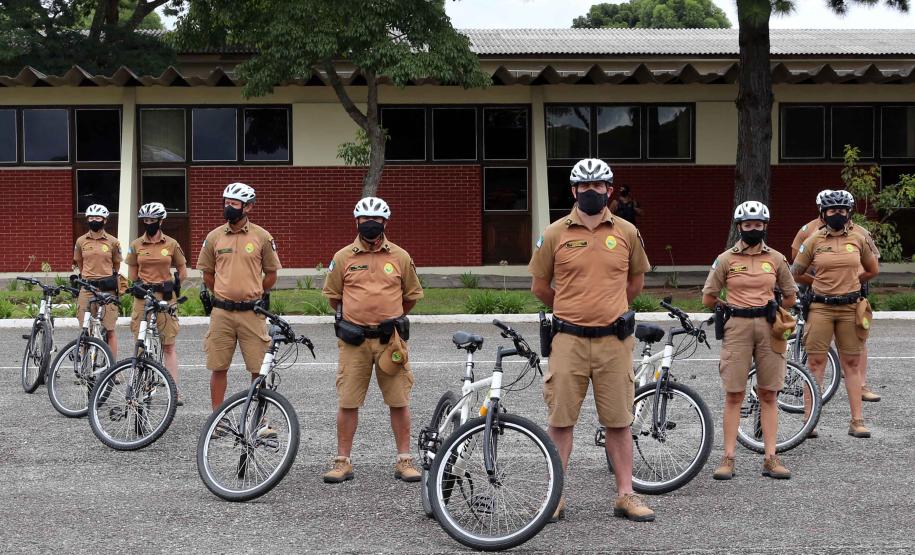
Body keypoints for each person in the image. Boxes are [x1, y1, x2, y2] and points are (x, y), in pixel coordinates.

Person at [529, 158, 654, 522]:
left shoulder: (628, 233)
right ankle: (555, 497)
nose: (590, 191)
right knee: (561, 420)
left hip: (613, 342)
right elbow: (540, 286)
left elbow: (635, 283)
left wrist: (608, 311)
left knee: (618, 421)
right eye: (583, 186)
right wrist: (572, 310)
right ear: (573, 191)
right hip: (567, 340)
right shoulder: (554, 234)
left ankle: (626, 495)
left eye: (598, 186)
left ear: (609, 191)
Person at [321, 197, 424, 484]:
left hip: (390, 342)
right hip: (354, 341)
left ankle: (404, 460)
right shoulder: (343, 258)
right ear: (356, 222)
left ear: (385, 223)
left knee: (399, 400)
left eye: (376, 220)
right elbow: (333, 296)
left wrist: (391, 317)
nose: (370, 224)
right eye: (365, 219)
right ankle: (343, 462)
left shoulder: (400, 257)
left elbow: (411, 297)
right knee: (348, 401)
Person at [702, 201, 797, 480]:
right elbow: (708, 297)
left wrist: (776, 307)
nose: (753, 229)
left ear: (765, 227)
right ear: (739, 227)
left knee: (769, 393)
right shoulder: (726, 260)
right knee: (734, 394)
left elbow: (790, 295)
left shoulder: (777, 259)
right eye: (748, 225)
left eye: (758, 225)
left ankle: (771, 458)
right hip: (737, 328)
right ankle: (728, 458)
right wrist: (728, 306)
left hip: (769, 328)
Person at [793, 191, 879, 438]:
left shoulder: (859, 238)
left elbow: (872, 269)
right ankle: (810, 422)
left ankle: (857, 421)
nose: (837, 214)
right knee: (815, 363)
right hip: (820, 307)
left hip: (850, 307)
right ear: (823, 213)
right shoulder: (813, 240)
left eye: (842, 210)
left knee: (851, 364)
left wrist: (853, 280)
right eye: (832, 211)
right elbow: (797, 271)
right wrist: (817, 282)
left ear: (848, 212)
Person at [197, 183, 281, 411]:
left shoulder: (262, 237)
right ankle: (217, 417)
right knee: (218, 367)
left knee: (258, 367)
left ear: (248, 207)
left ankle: (258, 418)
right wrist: (225, 293)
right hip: (222, 313)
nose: (228, 207)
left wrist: (254, 292)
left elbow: (271, 275)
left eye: (233, 204)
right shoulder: (214, 237)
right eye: (226, 203)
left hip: (252, 313)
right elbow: (207, 274)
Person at [126, 202, 187, 403]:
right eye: (146, 220)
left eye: (152, 220)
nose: (149, 223)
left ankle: (174, 390)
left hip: (165, 298)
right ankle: (141, 386)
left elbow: (182, 269)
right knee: (141, 344)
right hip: (143, 297)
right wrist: (137, 286)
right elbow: (132, 274)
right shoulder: (136, 245)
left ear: (161, 221)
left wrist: (175, 283)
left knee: (168, 345)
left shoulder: (171, 244)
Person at [73, 204, 121, 359]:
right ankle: (84, 367)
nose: (94, 220)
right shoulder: (80, 241)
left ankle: (113, 368)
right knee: (85, 328)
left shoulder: (113, 242)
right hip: (87, 288)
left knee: (110, 329)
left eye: (98, 218)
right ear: (87, 219)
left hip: (107, 289)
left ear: (105, 220)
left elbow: (116, 264)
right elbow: (79, 263)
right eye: (91, 217)